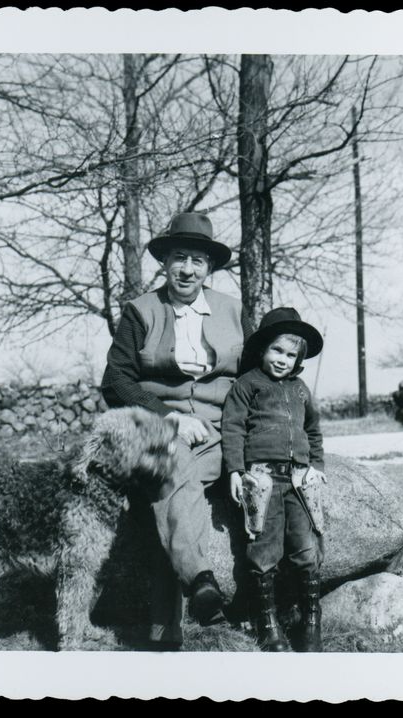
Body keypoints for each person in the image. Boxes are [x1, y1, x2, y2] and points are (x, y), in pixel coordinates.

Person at [100, 212, 243, 649]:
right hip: (160, 427)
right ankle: (200, 581)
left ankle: (167, 630)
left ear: (209, 268)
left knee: (172, 496)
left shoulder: (232, 311)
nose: (187, 270)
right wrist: (168, 415)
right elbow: (116, 380)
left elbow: (251, 376)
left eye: (198, 261)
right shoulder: (140, 311)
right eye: (179, 258)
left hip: (220, 429)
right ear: (165, 262)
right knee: (173, 468)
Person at [221, 307, 327, 652]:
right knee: (263, 549)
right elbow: (233, 428)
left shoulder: (300, 390)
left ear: (299, 359)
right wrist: (236, 470)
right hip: (262, 480)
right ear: (264, 348)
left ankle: (311, 621)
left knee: (305, 548)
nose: (282, 360)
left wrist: (317, 465)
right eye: (276, 350)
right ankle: (268, 624)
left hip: (298, 481)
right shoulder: (247, 384)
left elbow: (313, 430)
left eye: (291, 354)